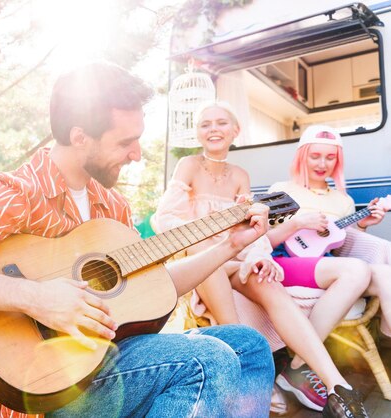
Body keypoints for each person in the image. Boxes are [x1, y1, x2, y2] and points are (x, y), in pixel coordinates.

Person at [0, 62, 275, 418]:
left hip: (114, 361)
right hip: (52, 386)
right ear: (80, 137)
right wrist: (37, 298)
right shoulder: (18, 195)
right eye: (126, 142)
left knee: (250, 348)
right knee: (208, 361)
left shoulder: (111, 205)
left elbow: (152, 289)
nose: (137, 154)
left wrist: (230, 245)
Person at [153, 101, 369, 417]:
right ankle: (248, 372)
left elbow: (252, 225)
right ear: (198, 133)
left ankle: (338, 386)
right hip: (198, 259)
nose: (213, 129)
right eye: (206, 124)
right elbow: (164, 218)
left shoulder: (240, 175)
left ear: (235, 131)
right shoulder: (188, 165)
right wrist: (206, 233)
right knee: (209, 258)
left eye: (221, 123)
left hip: (234, 255)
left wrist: (260, 254)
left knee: (267, 280)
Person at [266, 124, 391, 353]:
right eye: (315, 156)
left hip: (324, 266)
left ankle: (387, 348)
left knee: (387, 274)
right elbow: (262, 241)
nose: (322, 164)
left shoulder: (343, 201)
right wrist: (297, 223)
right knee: (355, 270)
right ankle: (302, 359)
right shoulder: (281, 190)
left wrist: (362, 225)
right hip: (283, 263)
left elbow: (343, 247)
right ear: (302, 156)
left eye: (330, 157)